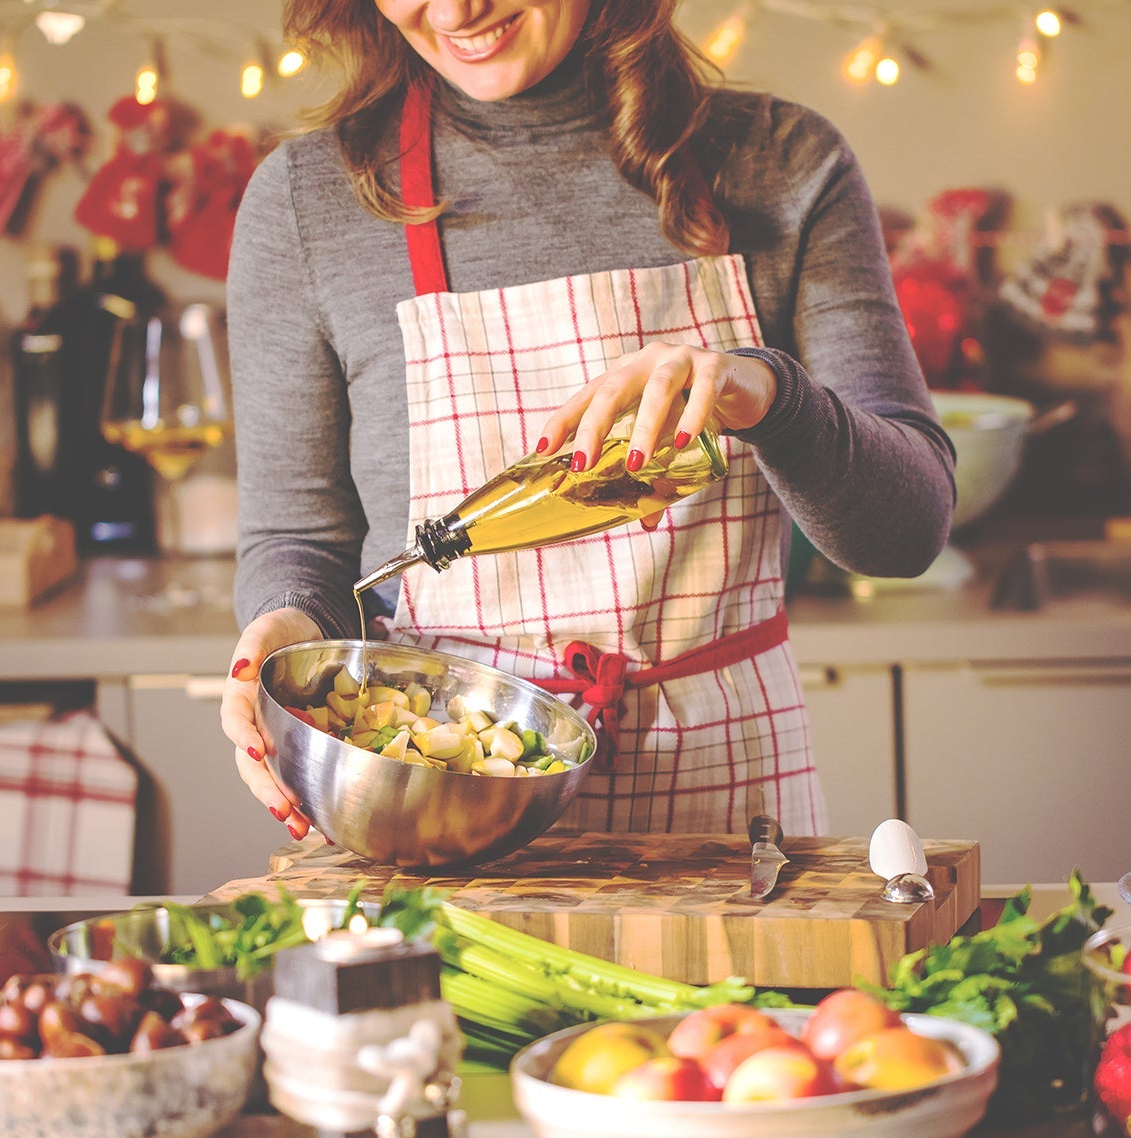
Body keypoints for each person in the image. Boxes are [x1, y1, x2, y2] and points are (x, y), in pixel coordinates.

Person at [221, 0, 954, 842]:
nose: (455, 11)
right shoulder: (308, 201)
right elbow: (302, 540)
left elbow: (907, 533)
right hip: (435, 798)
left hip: (728, 815)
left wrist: (765, 396)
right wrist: (285, 629)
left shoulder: (782, 162)